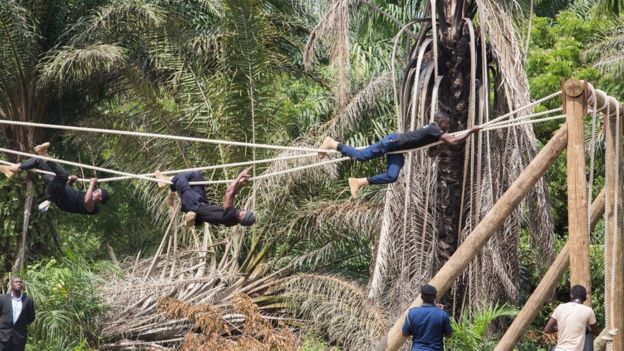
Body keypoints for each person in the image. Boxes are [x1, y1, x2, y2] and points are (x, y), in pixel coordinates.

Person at [318, 112, 481, 197]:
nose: (448, 127)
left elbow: (431, 153)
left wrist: (442, 146)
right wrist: (471, 132)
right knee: (361, 156)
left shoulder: (436, 134)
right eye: (447, 124)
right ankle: (332, 143)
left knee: (392, 176)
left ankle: (359, 182)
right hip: (393, 142)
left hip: (397, 150)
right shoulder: (434, 128)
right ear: (441, 122)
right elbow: (453, 141)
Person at [0, 142, 110, 215]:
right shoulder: (86, 194)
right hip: (57, 189)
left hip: (54, 195)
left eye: (97, 192)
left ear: (100, 199)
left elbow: (87, 201)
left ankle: (44, 153)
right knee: (39, 161)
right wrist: (71, 182)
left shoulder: (94, 207)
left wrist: (91, 184)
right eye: (96, 189)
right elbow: (69, 194)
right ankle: (12, 169)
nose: (95, 191)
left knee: (63, 175)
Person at [155, 167, 256, 228]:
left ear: (242, 218)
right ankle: (168, 186)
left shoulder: (232, 216)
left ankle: (166, 185)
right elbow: (233, 193)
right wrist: (240, 184)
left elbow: (229, 193)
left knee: (181, 179)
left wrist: (240, 176)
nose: (243, 210)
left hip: (193, 206)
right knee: (195, 174)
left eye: (244, 212)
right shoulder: (233, 219)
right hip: (202, 203)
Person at [544, 284, 599, 351]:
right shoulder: (588, 311)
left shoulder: (560, 307)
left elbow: (547, 329)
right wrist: (585, 328)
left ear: (571, 295)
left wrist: (562, 326)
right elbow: (596, 332)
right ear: (585, 298)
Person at [402, 284, 452, 351]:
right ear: (434, 297)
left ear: (421, 297)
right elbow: (449, 335)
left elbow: (405, 333)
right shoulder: (442, 314)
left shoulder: (411, 313)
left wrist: (416, 331)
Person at [0, 277, 35, 351]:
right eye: (16, 282)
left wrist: (20, 323)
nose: (19, 283)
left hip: (20, 337)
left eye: (20, 282)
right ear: (11, 285)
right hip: (3, 337)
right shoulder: (3, 299)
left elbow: (31, 317)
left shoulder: (28, 300)